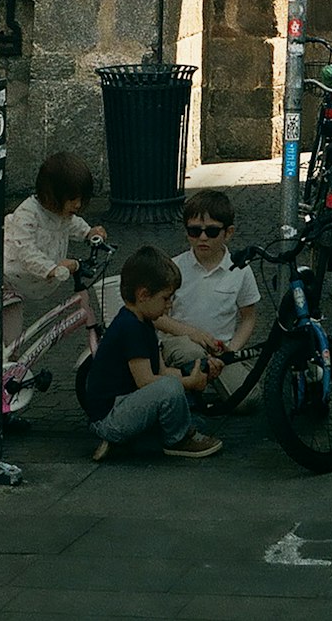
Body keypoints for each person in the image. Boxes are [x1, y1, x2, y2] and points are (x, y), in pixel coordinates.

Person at [83, 245, 222, 461]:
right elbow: (146, 381)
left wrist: (195, 372)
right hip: (110, 418)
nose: (169, 306)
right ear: (143, 295)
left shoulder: (144, 322)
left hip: (125, 404)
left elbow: (162, 370)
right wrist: (189, 384)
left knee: (192, 415)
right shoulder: (130, 327)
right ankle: (177, 441)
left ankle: (141, 438)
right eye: (166, 298)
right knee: (171, 390)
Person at [155, 189, 260, 405]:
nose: (202, 238)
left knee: (248, 400)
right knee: (192, 353)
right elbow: (157, 316)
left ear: (228, 233)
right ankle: (185, 384)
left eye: (211, 232)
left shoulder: (240, 270)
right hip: (180, 344)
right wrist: (192, 333)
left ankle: (196, 388)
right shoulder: (174, 267)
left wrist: (232, 351)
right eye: (194, 231)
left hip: (220, 351)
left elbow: (248, 318)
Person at [3, 152, 107, 347]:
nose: (77, 204)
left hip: (28, 285)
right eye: (73, 199)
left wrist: (88, 232)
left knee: (13, 338)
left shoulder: (62, 213)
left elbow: (73, 224)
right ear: (51, 196)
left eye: (81, 199)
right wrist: (51, 268)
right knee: (11, 341)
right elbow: (26, 252)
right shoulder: (27, 214)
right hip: (7, 281)